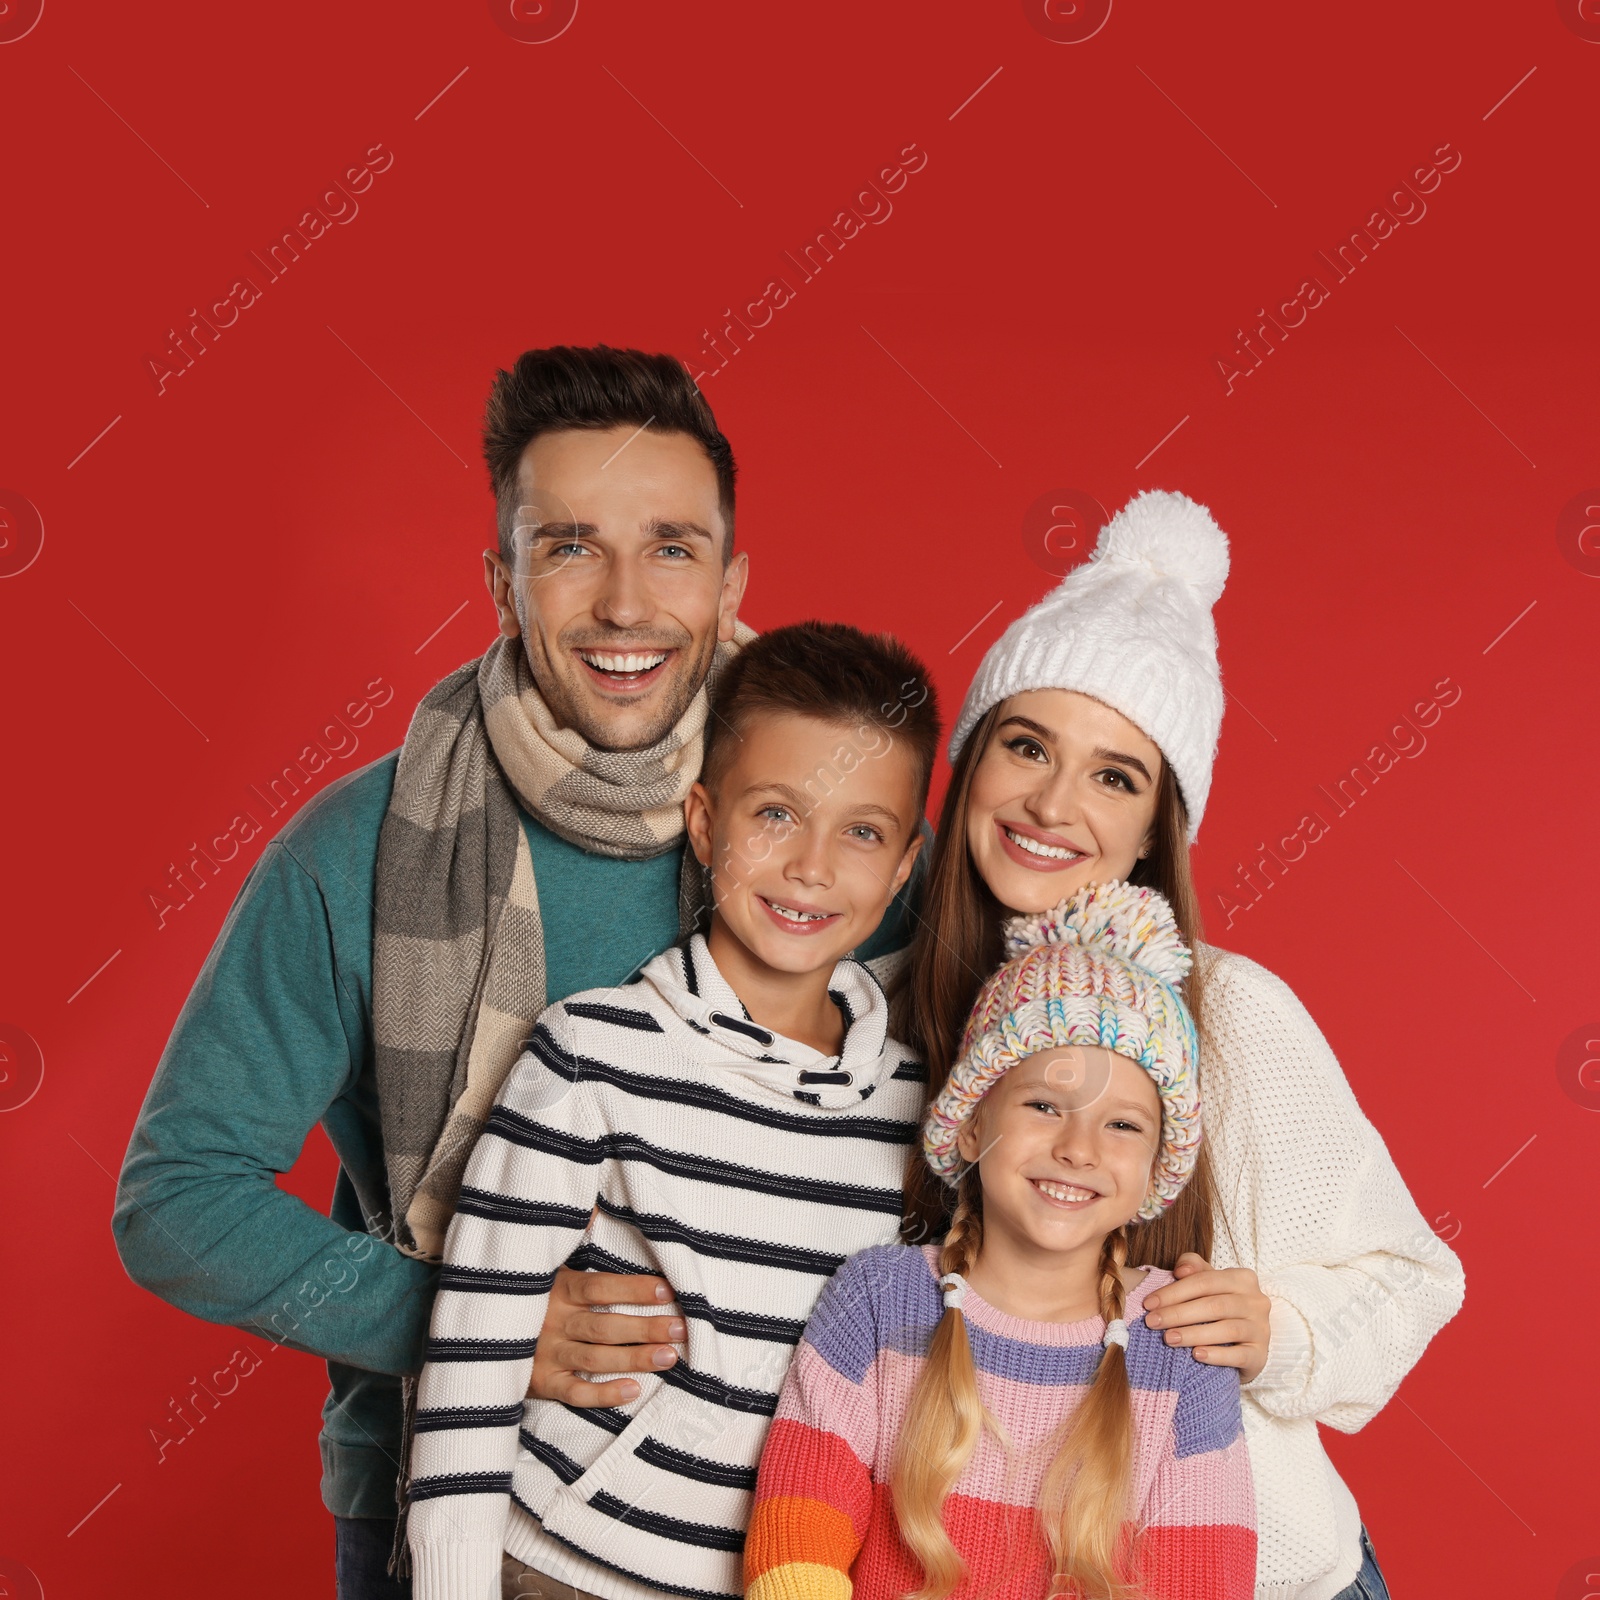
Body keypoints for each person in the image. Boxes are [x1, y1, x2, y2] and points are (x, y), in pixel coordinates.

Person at [109, 347, 924, 1599]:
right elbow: (176, 1198)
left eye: (670, 547)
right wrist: (476, 1322)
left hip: (807, 1524)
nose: (623, 604)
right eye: (567, 547)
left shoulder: (843, 836)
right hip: (457, 1518)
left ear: (730, 577)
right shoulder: (363, 851)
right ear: (501, 580)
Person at [893, 489, 1464, 1599]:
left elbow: (1412, 1275)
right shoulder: (892, 1008)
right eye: (1026, 745)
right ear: (969, 761)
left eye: (1115, 775)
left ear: (1158, 824)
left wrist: (1276, 1330)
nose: (1053, 803)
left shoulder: (1227, 1015)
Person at [405, 622, 939, 1600]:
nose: (812, 865)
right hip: (567, 1571)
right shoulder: (591, 1054)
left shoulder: (919, 1112)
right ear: (704, 824)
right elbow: (473, 1352)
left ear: (903, 866)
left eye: (861, 830)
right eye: (776, 813)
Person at [746, 879, 1256, 1600]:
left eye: (1123, 1125)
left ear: (1153, 1174)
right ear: (974, 1124)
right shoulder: (879, 1301)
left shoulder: (1180, 1352)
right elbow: (796, 1536)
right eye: (1045, 1104)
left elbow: (1205, 1581)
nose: (1078, 1148)